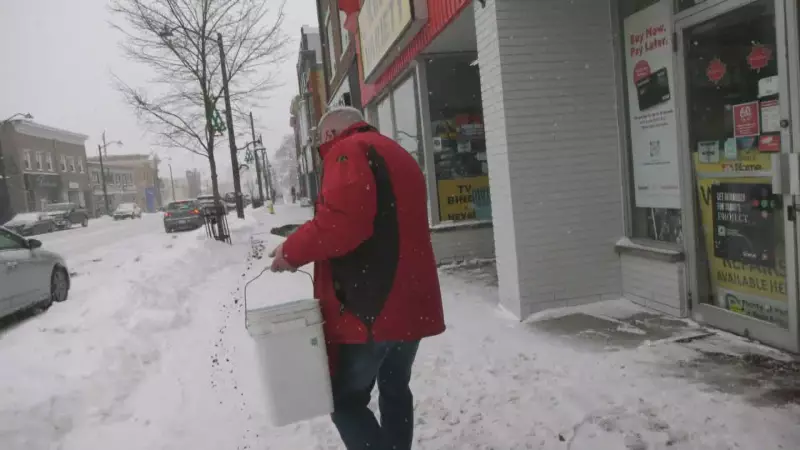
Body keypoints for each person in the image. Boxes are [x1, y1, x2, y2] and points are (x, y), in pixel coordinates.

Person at [269, 106, 445, 450]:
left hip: (373, 306)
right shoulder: (397, 153)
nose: (322, 150)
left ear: (330, 134)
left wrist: (290, 252)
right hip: (412, 303)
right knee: (395, 388)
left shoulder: (348, 151)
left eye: (321, 141)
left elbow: (342, 224)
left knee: (345, 402)